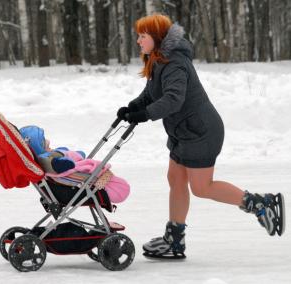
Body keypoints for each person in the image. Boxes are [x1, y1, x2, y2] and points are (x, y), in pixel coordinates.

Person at [116, 14, 285, 259]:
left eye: (143, 36)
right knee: (175, 178)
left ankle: (261, 204)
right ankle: (174, 240)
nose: (139, 40)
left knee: (202, 187)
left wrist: (146, 114)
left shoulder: (175, 63)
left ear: (157, 37)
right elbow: (152, 92)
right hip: (183, 131)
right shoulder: (158, 59)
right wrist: (133, 107)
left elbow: (173, 99)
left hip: (200, 132)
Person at [19, 125, 130, 203]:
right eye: (45, 143)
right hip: (71, 191)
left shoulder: (40, 159)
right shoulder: (46, 160)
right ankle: (114, 189)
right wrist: (64, 161)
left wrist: (70, 154)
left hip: (58, 189)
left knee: (74, 154)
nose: (49, 144)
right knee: (100, 175)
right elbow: (57, 165)